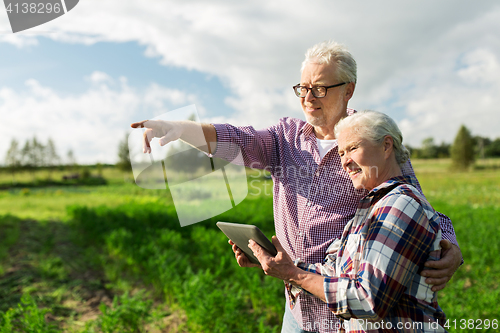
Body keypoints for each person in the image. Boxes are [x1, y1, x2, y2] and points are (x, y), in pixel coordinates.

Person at [131, 40, 461, 333]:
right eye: (302, 88)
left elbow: (417, 205)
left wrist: (451, 246)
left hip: (346, 315)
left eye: (319, 88)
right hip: (296, 309)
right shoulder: (284, 138)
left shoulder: (370, 141)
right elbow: (237, 138)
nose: (307, 97)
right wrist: (176, 127)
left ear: (349, 89)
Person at [248, 110, 447, 332]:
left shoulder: (400, 205)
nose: (345, 162)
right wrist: (275, 263)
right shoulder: (369, 207)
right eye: (341, 153)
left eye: (353, 148)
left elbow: (367, 301)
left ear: (386, 146)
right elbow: (337, 273)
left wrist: (293, 275)